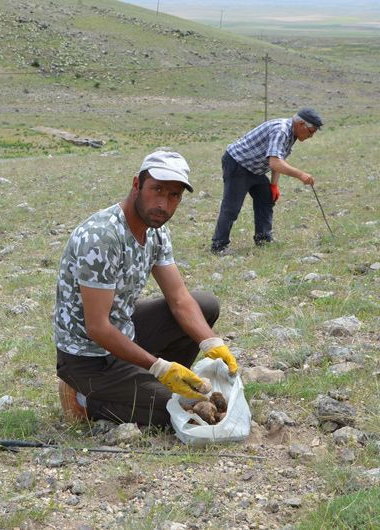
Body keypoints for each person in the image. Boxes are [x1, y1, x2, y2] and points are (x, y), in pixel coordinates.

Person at [54, 151, 238, 426]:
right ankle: (85, 400)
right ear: (137, 185)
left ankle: (152, 380)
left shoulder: (155, 231)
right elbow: (97, 328)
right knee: (186, 413)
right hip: (87, 358)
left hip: (124, 331)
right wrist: (159, 366)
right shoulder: (102, 237)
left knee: (205, 305)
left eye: (174, 195)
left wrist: (212, 342)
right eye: (157, 190)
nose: (163, 203)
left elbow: (179, 298)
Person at [210, 107, 324, 253]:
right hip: (238, 163)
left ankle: (263, 239)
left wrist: (274, 186)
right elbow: (275, 162)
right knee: (231, 207)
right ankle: (218, 245)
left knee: (266, 198)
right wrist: (301, 175)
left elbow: (278, 159)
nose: (311, 136)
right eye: (311, 132)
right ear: (301, 124)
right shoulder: (282, 130)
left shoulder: (292, 133)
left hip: (255, 168)